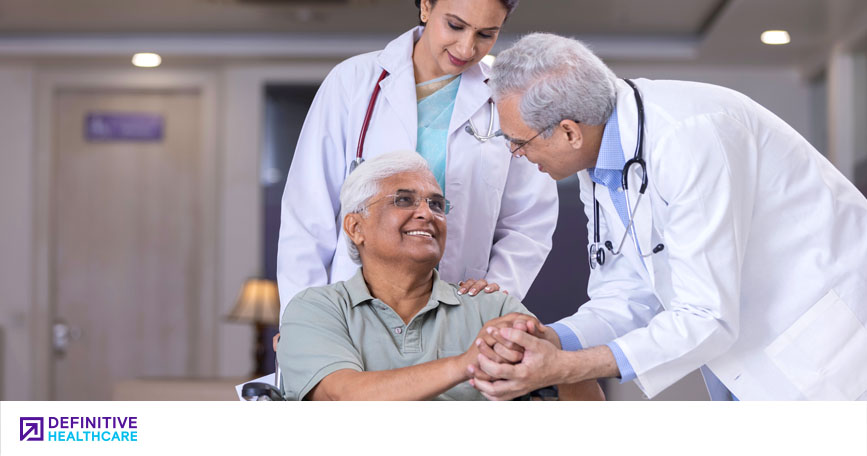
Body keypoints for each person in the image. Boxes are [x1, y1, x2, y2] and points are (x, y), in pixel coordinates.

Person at [468, 33, 867, 401]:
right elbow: (627, 293)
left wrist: (566, 367)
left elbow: (705, 314)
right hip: (750, 355)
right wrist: (552, 339)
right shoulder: (605, 163)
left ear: (570, 132)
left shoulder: (690, 137)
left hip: (827, 351)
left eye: (519, 143)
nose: (518, 155)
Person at [275, 0, 558, 323]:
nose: (466, 48)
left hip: (458, 310)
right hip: (350, 309)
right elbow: (308, 212)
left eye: (486, 34)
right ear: (426, 7)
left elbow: (529, 220)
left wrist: (497, 289)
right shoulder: (352, 82)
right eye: (455, 25)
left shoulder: (506, 101)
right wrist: (301, 319)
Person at [276, 151, 602, 400]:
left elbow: (586, 412)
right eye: (403, 200)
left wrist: (558, 357)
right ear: (355, 227)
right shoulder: (315, 309)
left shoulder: (491, 308)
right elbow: (344, 396)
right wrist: (466, 363)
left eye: (436, 204)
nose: (426, 213)